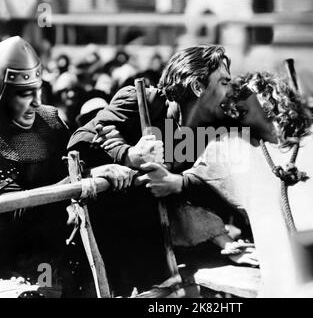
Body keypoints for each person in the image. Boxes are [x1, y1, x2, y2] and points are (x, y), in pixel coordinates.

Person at [143, 71, 313, 272]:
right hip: (289, 253)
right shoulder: (232, 144)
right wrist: (172, 181)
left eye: (240, 94)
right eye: (229, 102)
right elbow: (196, 180)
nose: (232, 104)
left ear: (266, 93)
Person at [67, 45, 258, 294]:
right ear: (198, 87)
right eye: (222, 82)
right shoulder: (142, 101)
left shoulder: (209, 126)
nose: (227, 91)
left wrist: (226, 241)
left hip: (168, 243)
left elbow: (208, 183)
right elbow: (79, 140)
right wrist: (128, 154)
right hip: (114, 244)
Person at [0, 36, 136, 297]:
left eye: (34, 88)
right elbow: (13, 213)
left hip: (61, 246)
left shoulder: (49, 121)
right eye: (21, 92)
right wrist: (83, 180)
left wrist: (113, 152)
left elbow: (74, 165)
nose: (31, 101)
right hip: (13, 260)